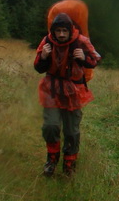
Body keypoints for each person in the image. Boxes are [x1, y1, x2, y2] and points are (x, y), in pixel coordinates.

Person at [33, 12, 101, 176]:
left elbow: (96, 59)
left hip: (73, 92)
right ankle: (52, 160)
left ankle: (69, 163)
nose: (61, 34)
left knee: (71, 131)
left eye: (64, 30)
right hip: (52, 90)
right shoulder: (47, 41)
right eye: (58, 31)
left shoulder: (81, 41)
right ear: (53, 31)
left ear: (70, 30)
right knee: (50, 126)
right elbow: (38, 67)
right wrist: (43, 57)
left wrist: (83, 58)